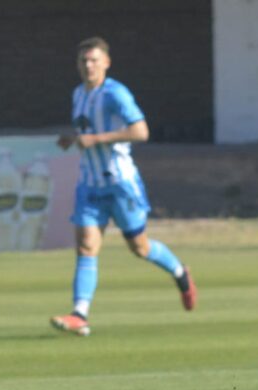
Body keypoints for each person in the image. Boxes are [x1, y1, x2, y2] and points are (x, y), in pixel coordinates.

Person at [51, 37, 197, 337]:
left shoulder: (116, 94)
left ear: (106, 62)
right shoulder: (78, 94)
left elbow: (140, 131)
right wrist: (74, 139)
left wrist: (96, 139)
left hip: (120, 183)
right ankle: (80, 314)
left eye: (93, 60)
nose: (88, 65)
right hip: (90, 183)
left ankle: (181, 273)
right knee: (86, 246)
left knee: (140, 248)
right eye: (83, 60)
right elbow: (87, 133)